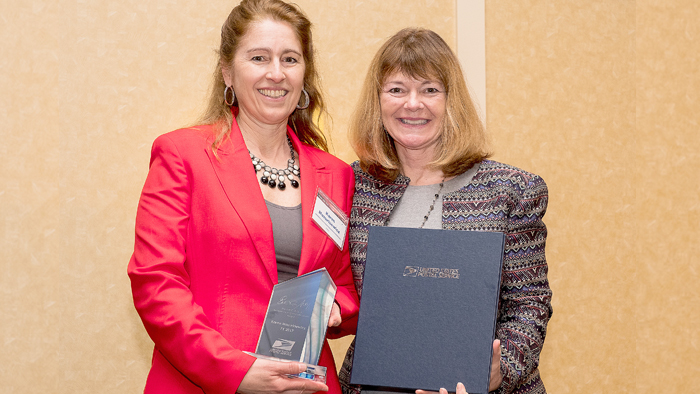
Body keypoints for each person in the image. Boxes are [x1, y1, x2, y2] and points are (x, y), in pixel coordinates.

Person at [127, 1, 359, 393]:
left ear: (305, 73)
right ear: (227, 71)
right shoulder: (182, 155)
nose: (276, 73)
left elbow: (345, 287)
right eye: (258, 57)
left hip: (307, 385)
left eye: (290, 59)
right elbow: (156, 284)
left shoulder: (335, 175)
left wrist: (336, 308)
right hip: (205, 382)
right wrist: (235, 372)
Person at [338, 28, 552, 394]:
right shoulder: (352, 185)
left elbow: (530, 302)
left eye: (430, 89)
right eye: (397, 89)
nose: (412, 103)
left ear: (452, 100)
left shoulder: (510, 190)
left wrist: (502, 367)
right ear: (378, 101)